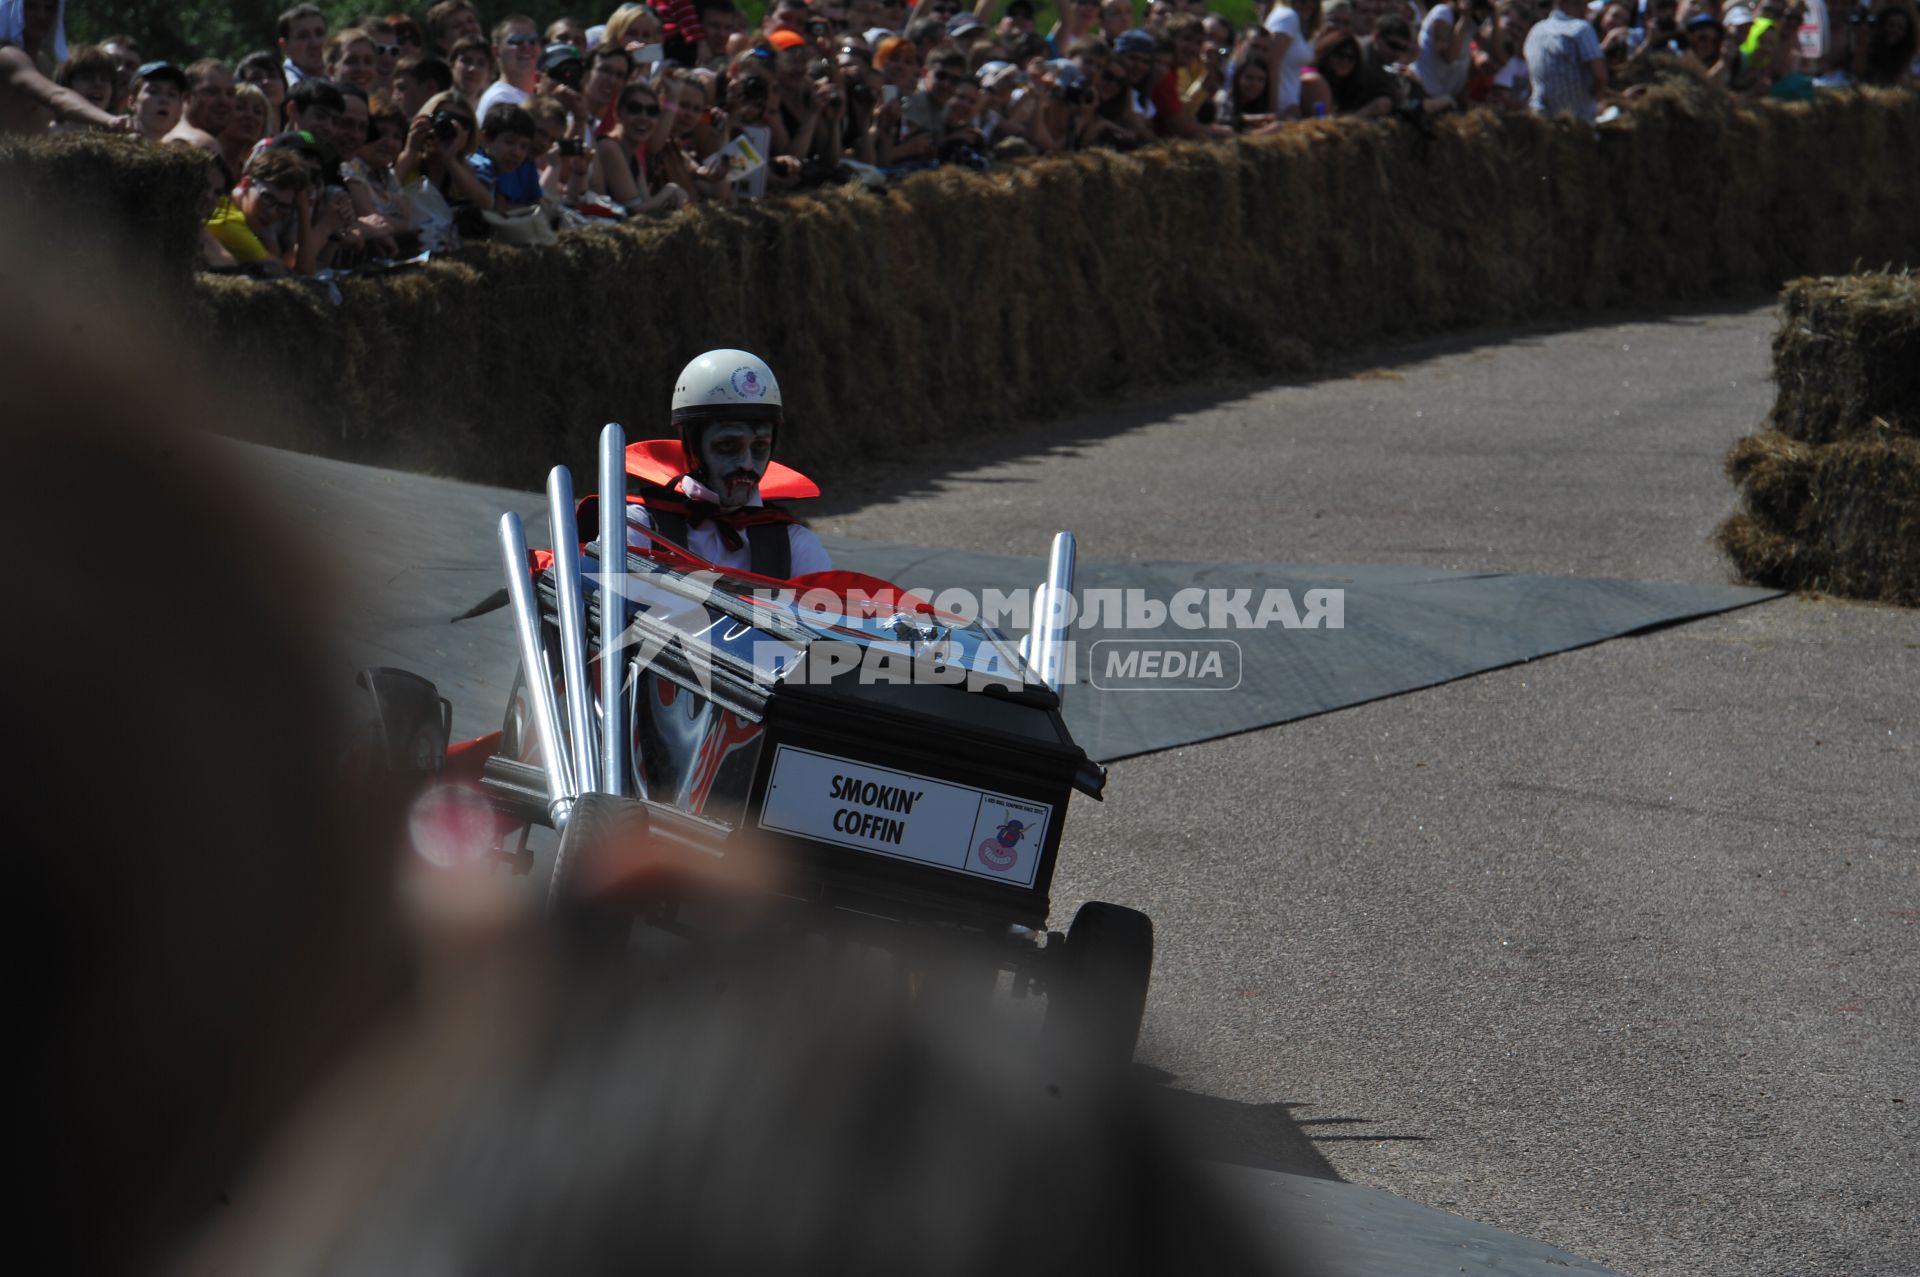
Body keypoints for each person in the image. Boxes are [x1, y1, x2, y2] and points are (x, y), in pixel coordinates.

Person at [626, 350, 831, 579]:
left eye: (760, 447)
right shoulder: (639, 527)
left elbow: (829, 612)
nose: (746, 463)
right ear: (693, 443)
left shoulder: (794, 543)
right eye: (727, 445)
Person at [1, 39, 122, 133]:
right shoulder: (47, 133)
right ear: (66, 84)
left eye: (105, 79)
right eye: (86, 77)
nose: (98, 84)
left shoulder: (119, 138)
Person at [1524, 0, 1606, 118]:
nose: (1585, 10)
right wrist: (1593, 100)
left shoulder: (1535, 31)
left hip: (1541, 119)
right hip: (1577, 120)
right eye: (1580, 4)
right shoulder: (1581, 28)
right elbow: (1600, 76)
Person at [468, 102, 544, 210]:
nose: (517, 153)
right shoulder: (480, 168)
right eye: (509, 142)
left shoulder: (499, 168)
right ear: (485, 138)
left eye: (524, 146)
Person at [476, 13, 544, 122]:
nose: (526, 46)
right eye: (516, 41)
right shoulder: (500, 100)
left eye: (532, 41)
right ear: (496, 51)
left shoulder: (543, 95)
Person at [165, 58, 235, 157]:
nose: (224, 100)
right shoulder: (202, 144)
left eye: (230, 93)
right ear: (187, 97)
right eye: (212, 91)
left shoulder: (170, 139)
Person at [128, 59, 188, 141]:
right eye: (153, 92)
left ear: (180, 108)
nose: (164, 100)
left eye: (172, 95)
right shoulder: (110, 141)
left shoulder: (191, 150)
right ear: (132, 102)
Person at [278, 3, 328, 86]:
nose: (315, 43)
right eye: (303, 36)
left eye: (319, 33)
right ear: (284, 46)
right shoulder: (285, 89)